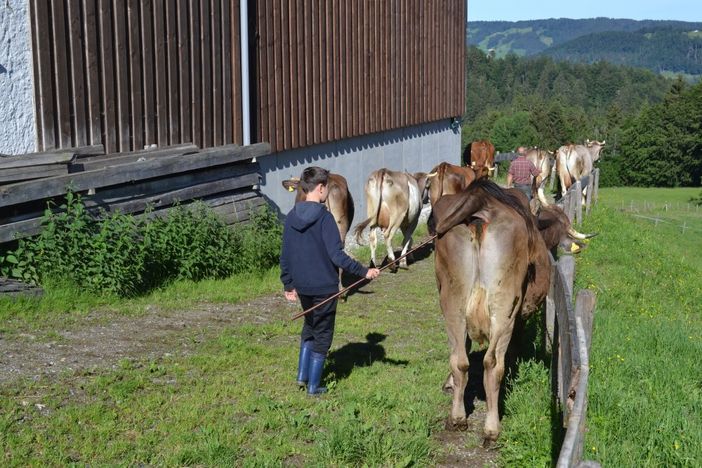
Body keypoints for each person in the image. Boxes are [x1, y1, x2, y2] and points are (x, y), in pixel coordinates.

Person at [280, 166, 380, 395]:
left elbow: (285, 255)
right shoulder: (325, 218)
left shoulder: (291, 216)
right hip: (324, 288)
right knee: (323, 336)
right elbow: (337, 255)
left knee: (309, 327)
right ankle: (314, 387)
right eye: (325, 187)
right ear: (321, 188)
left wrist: (288, 284)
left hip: (303, 287)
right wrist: (364, 272)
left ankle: (301, 377)